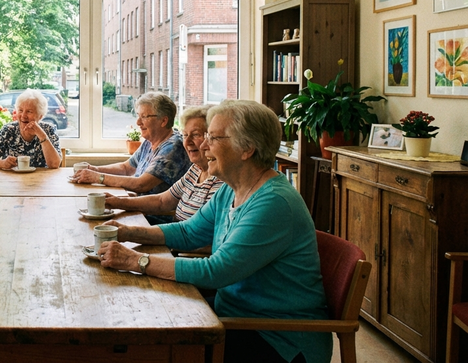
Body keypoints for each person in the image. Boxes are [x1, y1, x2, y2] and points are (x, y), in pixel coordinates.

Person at [98, 100, 330, 363]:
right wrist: (126, 232)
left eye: (214, 137)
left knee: (149, 347)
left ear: (247, 149)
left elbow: (216, 272)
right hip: (230, 316)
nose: (204, 145)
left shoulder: (274, 203)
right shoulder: (230, 189)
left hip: (276, 338)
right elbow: (188, 233)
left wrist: (135, 260)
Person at [103, 105, 223, 225]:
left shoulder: (222, 181)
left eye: (196, 135)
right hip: (175, 235)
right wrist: (116, 202)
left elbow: (142, 185)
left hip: (173, 234)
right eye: (185, 135)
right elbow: (162, 201)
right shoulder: (195, 170)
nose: (187, 142)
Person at [72, 92, 190, 195]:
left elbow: (141, 185)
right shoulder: (149, 142)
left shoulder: (173, 147)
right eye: (138, 116)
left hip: (153, 217)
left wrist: (97, 177)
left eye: (144, 117)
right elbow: (126, 168)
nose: (138, 122)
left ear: (164, 120)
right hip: (137, 207)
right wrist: (94, 169)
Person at [0, 89, 62, 169]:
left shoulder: (48, 130)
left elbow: (54, 164)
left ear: (40, 116)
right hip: (12, 182)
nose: (23, 115)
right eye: (20, 110)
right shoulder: (9, 130)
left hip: (41, 181)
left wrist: (41, 135)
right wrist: (2, 163)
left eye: (29, 111)